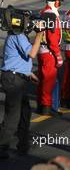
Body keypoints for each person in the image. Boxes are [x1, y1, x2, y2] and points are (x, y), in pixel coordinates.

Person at [0, 26, 43, 159]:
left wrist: (28, 73)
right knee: (13, 115)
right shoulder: (18, 36)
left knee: (25, 112)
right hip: (14, 79)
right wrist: (39, 34)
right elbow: (32, 53)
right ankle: (2, 147)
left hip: (17, 77)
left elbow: (16, 58)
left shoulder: (15, 35)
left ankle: (23, 144)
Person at [38, 0, 64, 115]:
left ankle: (41, 105)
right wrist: (58, 55)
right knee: (49, 81)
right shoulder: (51, 15)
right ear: (54, 3)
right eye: (59, 2)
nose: (60, 5)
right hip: (49, 52)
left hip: (41, 49)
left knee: (43, 80)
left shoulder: (43, 11)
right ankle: (47, 108)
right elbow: (52, 38)